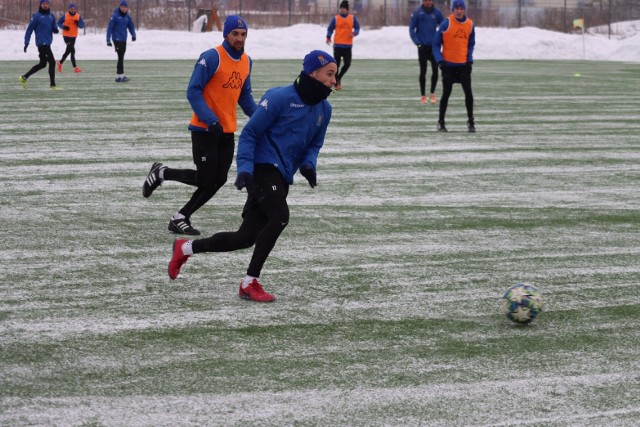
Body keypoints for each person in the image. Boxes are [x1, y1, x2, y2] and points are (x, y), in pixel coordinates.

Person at [167, 50, 337, 303]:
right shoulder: (279, 97)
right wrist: (245, 169)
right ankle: (249, 282)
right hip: (261, 169)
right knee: (280, 217)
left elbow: (314, 145)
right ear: (313, 73)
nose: (334, 80)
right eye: (330, 74)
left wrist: (308, 165)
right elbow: (250, 135)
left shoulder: (325, 109)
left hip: (281, 176)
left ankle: (185, 248)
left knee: (244, 238)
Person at [142, 15, 257, 236]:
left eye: (243, 34)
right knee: (206, 178)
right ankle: (162, 173)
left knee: (219, 179)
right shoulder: (212, 57)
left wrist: (260, 118)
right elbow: (193, 91)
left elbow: (245, 95)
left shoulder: (247, 62)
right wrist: (210, 119)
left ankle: (181, 216)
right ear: (226, 34)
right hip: (205, 129)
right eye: (235, 34)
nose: (239, 38)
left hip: (226, 131)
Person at [433, 0, 476, 132]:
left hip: (463, 66)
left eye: (461, 8)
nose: (459, 10)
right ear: (453, 9)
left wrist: (469, 60)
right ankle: (441, 122)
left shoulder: (469, 24)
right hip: (449, 67)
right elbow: (435, 45)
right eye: (456, 8)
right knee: (446, 94)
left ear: (464, 9)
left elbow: (471, 43)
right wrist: (440, 61)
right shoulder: (446, 24)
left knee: (469, 94)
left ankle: (471, 122)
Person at [409, 0, 444, 105]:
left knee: (435, 71)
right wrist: (417, 43)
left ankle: (432, 93)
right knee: (423, 71)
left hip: (434, 48)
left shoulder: (437, 13)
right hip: (422, 47)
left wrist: (440, 40)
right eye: (425, 0)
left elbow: (443, 27)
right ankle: (423, 95)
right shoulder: (417, 13)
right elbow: (411, 29)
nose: (427, 2)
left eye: (429, 0)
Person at [20, 0, 59, 90]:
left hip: (48, 43)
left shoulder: (51, 16)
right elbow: (29, 30)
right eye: (43, 4)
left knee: (43, 64)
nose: (45, 5)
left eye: (46, 4)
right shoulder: (36, 16)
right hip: (42, 44)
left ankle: (24, 77)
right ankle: (52, 85)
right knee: (52, 62)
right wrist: (26, 42)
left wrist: (55, 30)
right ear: (40, 5)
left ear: (48, 5)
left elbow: (53, 26)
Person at [326, 0, 359, 90]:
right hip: (338, 45)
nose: (342, 10)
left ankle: (338, 78)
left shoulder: (352, 18)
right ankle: (337, 83)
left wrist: (354, 33)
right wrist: (328, 37)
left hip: (348, 45)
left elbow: (357, 28)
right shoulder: (336, 18)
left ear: (347, 10)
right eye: (341, 8)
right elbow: (330, 28)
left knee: (347, 64)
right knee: (336, 65)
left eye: (344, 8)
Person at [106, 0, 136, 83]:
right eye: (122, 7)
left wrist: (133, 35)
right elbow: (109, 28)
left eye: (125, 7)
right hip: (117, 39)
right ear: (120, 7)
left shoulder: (127, 17)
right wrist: (108, 40)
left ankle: (119, 76)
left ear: (127, 8)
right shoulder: (115, 16)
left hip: (123, 39)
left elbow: (131, 26)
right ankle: (120, 75)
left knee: (121, 57)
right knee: (120, 56)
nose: (123, 9)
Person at [57, 3, 85, 74]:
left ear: (75, 9)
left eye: (74, 9)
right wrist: (64, 27)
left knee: (68, 51)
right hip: (66, 36)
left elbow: (82, 26)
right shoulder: (65, 15)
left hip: (73, 36)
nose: (72, 10)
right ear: (69, 9)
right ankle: (75, 68)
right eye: (71, 9)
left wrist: (78, 23)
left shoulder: (78, 16)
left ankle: (60, 63)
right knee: (72, 50)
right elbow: (58, 23)